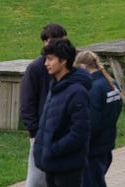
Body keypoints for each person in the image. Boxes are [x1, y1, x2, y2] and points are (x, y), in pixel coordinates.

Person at [33, 38, 91, 187]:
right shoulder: (56, 85)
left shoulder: (77, 92)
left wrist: (53, 149)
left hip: (67, 166)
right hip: (52, 163)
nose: (46, 63)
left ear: (64, 60)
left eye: (50, 59)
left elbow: (79, 133)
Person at [21, 23, 68, 187]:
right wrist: (34, 132)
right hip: (42, 135)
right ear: (45, 43)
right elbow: (27, 103)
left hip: (65, 134)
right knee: (37, 180)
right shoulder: (35, 69)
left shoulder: (70, 67)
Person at [74, 51, 123, 187]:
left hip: (93, 149)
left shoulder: (93, 88)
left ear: (83, 67)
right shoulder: (112, 83)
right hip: (106, 143)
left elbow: (93, 123)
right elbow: (118, 109)